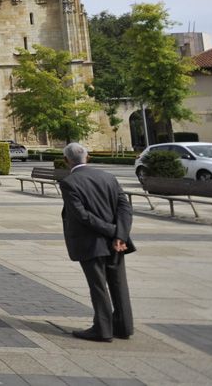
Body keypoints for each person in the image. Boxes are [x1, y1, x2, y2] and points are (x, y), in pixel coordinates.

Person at [58, 142, 135, 342]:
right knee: (119, 285)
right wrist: (120, 235)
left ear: (66, 160)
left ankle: (102, 329)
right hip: (117, 243)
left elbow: (82, 216)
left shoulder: (70, 182)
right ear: (88, 157)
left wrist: (112, 232)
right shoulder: (108, 177)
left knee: (98, 286)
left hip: (91, 242)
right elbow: (125, 208)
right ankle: (124, 327)